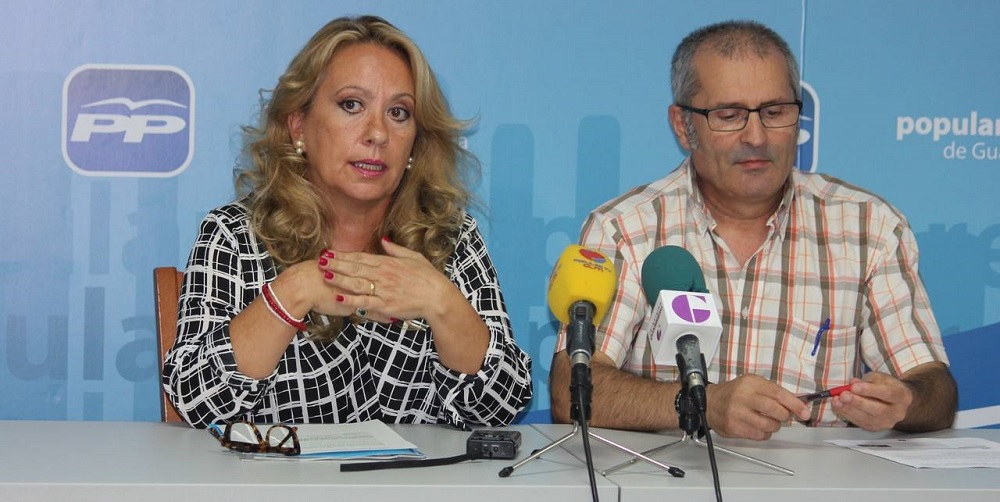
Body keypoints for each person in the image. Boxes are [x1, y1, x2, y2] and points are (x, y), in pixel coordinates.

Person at [550, 20, 956, 440]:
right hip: (670, 472)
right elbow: (571, 391)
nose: (757, 136)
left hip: (816, 475)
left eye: (775, 112)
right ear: (682, 125)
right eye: (729, 116)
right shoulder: (625, 228)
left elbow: (936, 390)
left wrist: (905, 401)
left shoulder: (869, 227)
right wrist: (702, 404)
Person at [163, 15, 532, 429]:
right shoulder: (235, 235)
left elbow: (502, 405)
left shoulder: (450, 238)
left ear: (415, 141)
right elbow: (196, 401)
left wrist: (440, 302)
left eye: (398, 112)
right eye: (352, 105)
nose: (377, 133)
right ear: (298, 126)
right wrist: (295, 291)